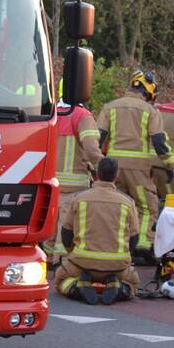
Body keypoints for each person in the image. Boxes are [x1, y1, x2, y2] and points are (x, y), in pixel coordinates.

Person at [97, 70, 174, 263]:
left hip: (113, 168)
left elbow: (99, 137)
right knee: (147, 207)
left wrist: (96, 164)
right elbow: (159, 141)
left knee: (118, 206)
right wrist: (170, 164)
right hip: (138, 169)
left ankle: (117, 244)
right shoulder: (150, 111)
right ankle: (142, 245)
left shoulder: (110, 107)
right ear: (148, 93)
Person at [54, 158, 141, 305]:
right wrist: (125, 257)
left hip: (82, 264)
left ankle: (77, 287)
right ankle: (118, 287)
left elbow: (66, 232)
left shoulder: (79, 198)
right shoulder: (127, 202)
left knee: (60, 279)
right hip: (117, 266)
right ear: (116, 175)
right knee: (133, 283)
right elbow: (134, 237)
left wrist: (71, 253)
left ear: (97, 174)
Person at [45, 89, 104, 264]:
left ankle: (47, 258)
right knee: (67, 225)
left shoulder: (49, 113)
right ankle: (62, 261)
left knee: (50, 224)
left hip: (49, 181)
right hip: (74, 184)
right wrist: (104, 168)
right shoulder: (82, 115)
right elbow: (92, 149)